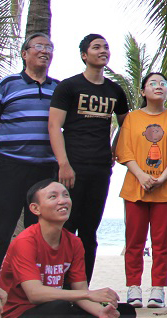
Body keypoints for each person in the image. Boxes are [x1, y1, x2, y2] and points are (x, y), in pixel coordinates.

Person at [47, 35, 129, 283]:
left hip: (101, 169)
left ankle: (82, 289)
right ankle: (58, 288)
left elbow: (127, 124)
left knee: (89, 232)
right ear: (84, 55)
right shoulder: (69, 87)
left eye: (106, 46)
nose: (103, 50)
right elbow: (54, 126)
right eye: (96, 47)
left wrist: (115, 148)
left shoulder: (114, 90)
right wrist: (63, 164)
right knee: (65, 229)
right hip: (71, 167)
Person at [0, 179, 134, 317]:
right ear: (35, 209)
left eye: (66, 195)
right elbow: (35, 294)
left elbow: (80, 291)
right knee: (60, 308)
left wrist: (101, 312)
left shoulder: (74, 242)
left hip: (56, 309)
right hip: (20, 313)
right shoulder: (25, 241)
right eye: (53, 196)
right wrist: (89, 294)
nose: (62, 201)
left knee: (125, 311)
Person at [114, 72, 167, 309]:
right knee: (134, 241)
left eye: (163, 84)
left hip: (166, 190)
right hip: (135, 187)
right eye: (152, 83)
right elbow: (124, 153)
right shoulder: (132, 119)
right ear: (143, 91)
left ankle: (158, 289)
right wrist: (142, 175)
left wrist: (162, 177)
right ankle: (133, 287)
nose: (159, 87)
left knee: (162, 242)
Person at [0, 34, 60, 282]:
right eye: (39, 46)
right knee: (0, 230)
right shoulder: (7, 85)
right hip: (9, 166)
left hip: (45, 171)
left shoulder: (58, 88)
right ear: (25, 53)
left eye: (49, 47)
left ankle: (35, 288)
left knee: (41, 232)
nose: (45, 51)